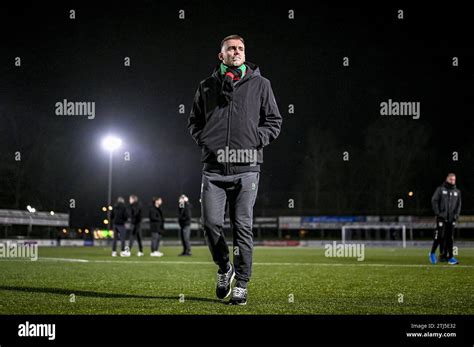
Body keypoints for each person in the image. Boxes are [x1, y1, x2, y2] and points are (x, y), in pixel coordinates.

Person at [187, 34, 282, 305]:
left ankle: (241, 282)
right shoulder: (206, 86)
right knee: (210, 224)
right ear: (222, 55)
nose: (236, 52)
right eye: (231, 48)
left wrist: (256, 141)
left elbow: (274, 121)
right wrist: (205, 142)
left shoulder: (261, 85)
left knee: (242, 227)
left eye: (240, 48)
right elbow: (193, 122)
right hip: (213, 170)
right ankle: (224, 267)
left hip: (247, 169)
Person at [430, 173, 461, 265]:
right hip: (441, 218)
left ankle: (450, 257)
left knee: (450, 238)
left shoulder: (457, 192)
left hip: (451, 219)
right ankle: (432, 253)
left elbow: (459, 205)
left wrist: (456, 215)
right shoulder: (440, 189)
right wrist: (438, 213)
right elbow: (434, 200)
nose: (452, 181)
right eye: (451, 179)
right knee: (440, 236)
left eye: (454, 179)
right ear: (447, 179)